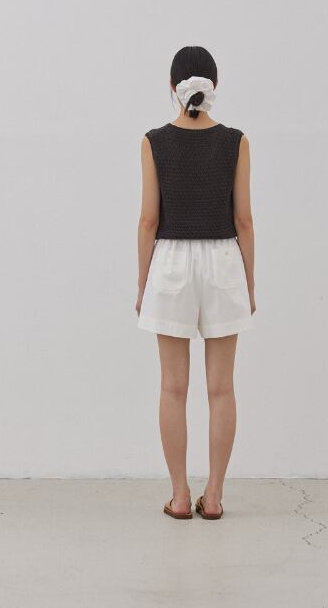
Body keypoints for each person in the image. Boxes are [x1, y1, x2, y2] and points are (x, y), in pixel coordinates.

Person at [136, 46, 256, 520]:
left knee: (172, 388)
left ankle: (181, 496)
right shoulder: (236, 142)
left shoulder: (154, 142)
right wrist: (249, 282)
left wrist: (143, 283)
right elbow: (244, 220)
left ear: (172, 87)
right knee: (221, 388)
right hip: (224, 261)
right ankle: (215, 497)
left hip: (170, 262)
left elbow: (149, 220)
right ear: (215, 86)